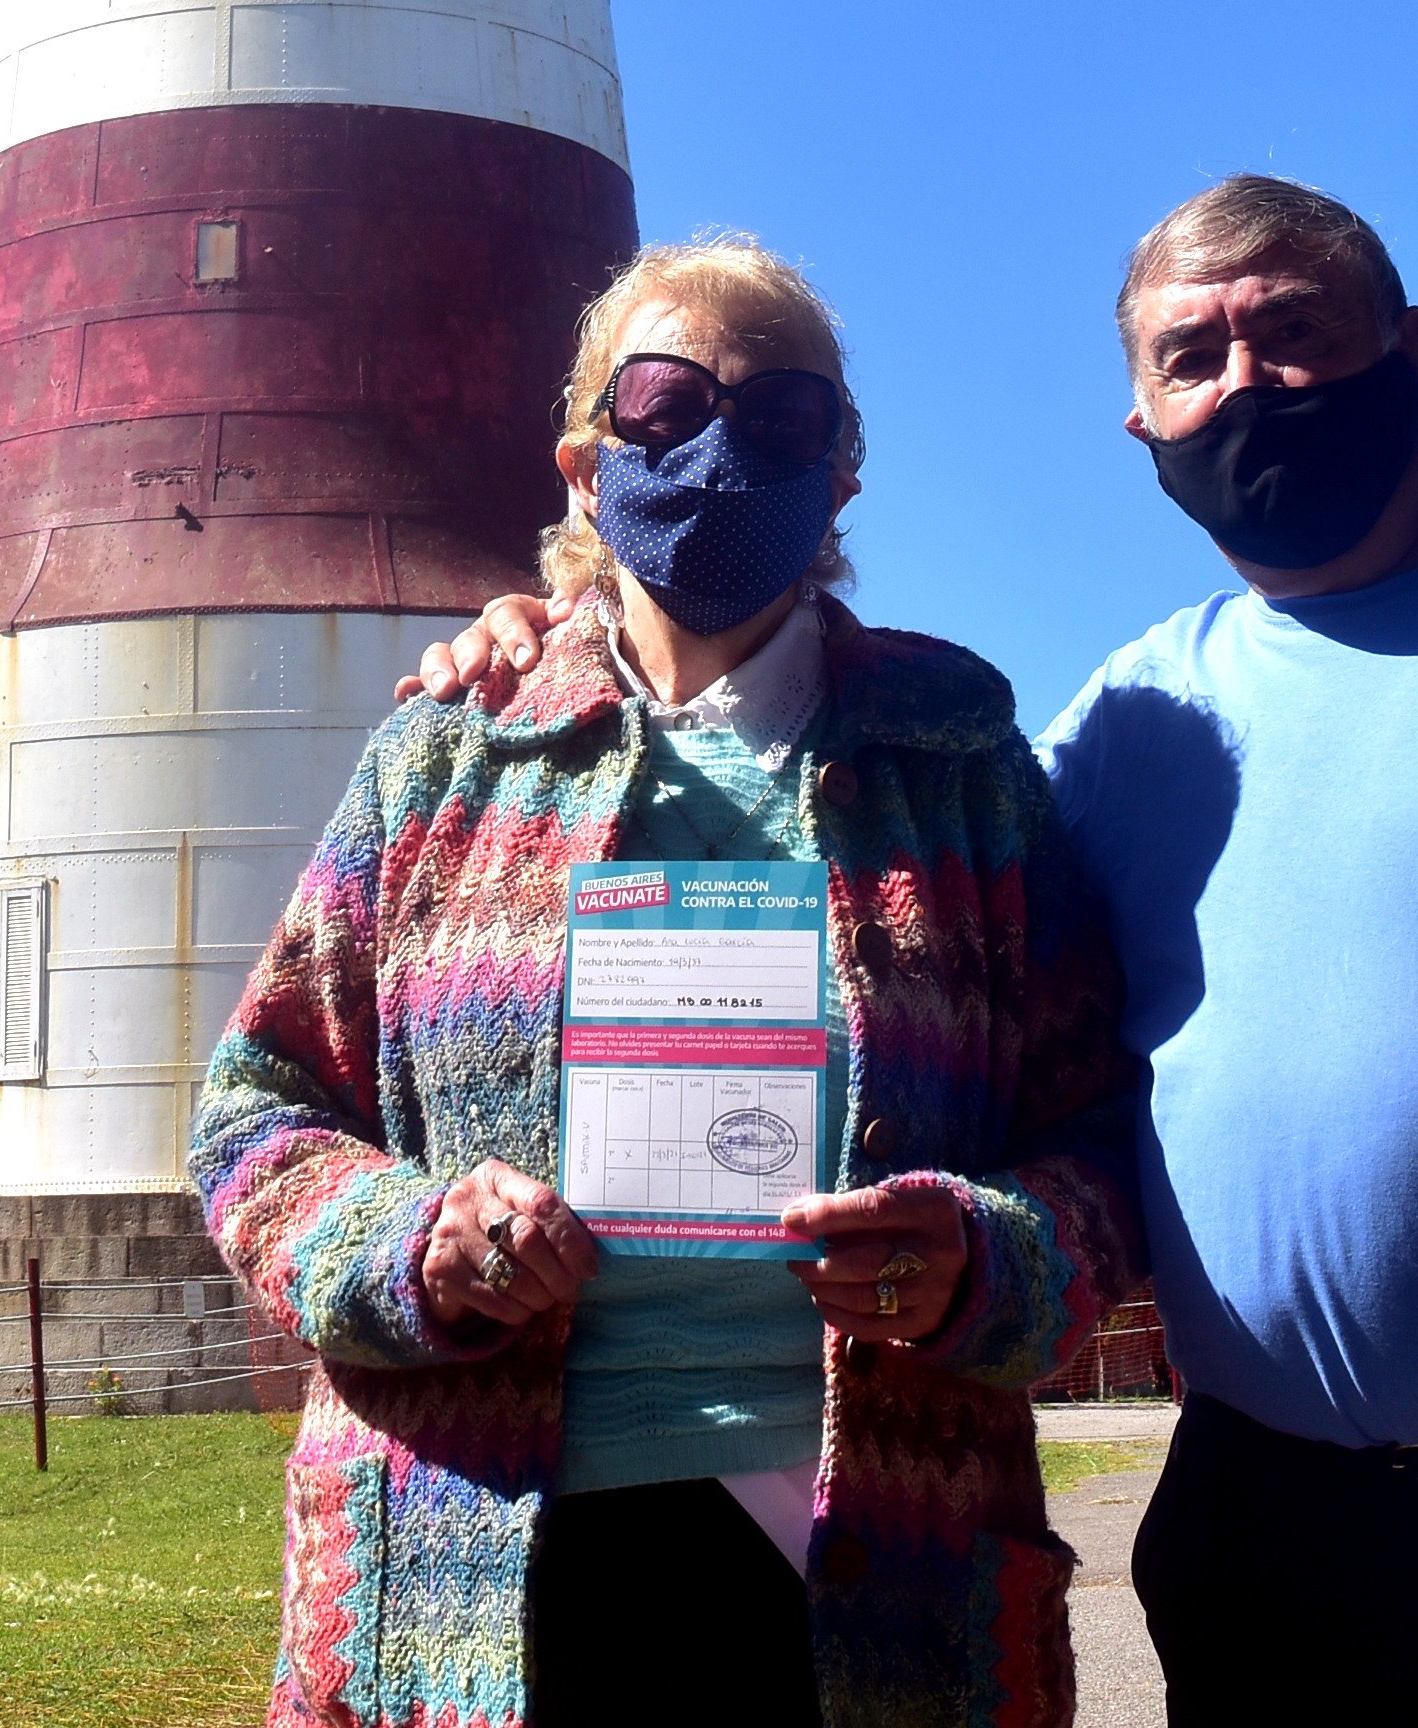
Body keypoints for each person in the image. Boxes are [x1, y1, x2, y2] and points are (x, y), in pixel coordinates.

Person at [415, 178, 1418, 1728]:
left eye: (1293, 329)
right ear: (1143, 425)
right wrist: (547, 642)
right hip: (1273, 1542)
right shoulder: (1117, 726)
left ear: (1412, 350)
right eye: (1193, 355)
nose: (1248, 381)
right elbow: (1027, 1063)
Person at [194, 235, 1142, 1728]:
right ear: (584, 462)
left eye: (783, 419)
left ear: (841, 477)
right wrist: (410, 1241)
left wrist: (988, 1255)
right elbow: (254, 1115)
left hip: (878, 1560)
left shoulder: (958, 768)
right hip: (470, 1563)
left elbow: (1100, 1137)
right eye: (664, 402)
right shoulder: (445, 758)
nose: (717, 449)